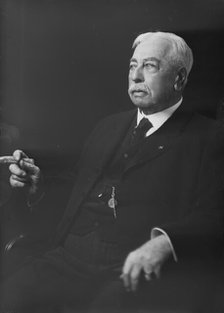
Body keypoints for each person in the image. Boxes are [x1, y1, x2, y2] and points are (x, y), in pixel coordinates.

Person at [1, 31, 224, 313]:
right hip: (68, 258)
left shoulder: (209, 137)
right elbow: (76, 193)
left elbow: (216, 214)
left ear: (179, 78)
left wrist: (165, 242)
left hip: (133, 270)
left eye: (150, 66)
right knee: (11, 296)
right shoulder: (108, 127)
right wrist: (38, 187)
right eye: (132, 66)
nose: (136, 77)